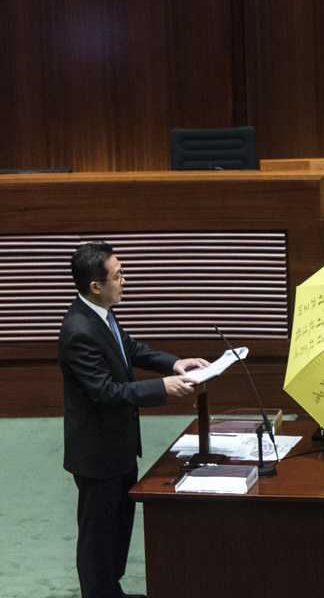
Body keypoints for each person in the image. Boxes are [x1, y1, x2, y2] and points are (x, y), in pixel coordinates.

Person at [58, 241, 209, 598]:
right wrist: (163, 387)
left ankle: (112, 591)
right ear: (95, 286)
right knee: (98, 535)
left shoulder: (102, 313)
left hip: (120, 445)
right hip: (97, 453)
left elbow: (132, 348)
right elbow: (107, 392)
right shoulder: (78, 331)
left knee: (118, 526)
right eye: (119, 275)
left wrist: (174, 363)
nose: (125, 280)